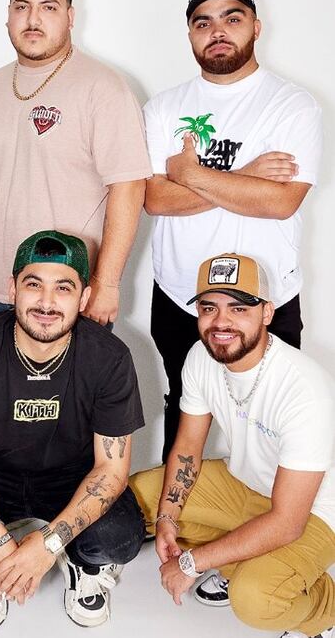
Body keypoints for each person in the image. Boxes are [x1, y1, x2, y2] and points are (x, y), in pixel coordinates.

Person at [0, 230, 145, 631]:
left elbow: (111, 470)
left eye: (63, 288)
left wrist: (50, 543)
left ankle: (82, 563)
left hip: (71, 478)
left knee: (120, 538)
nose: (46, 302)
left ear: (84, 298)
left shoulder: (109, 358)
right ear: (12, 289)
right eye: (33, 284)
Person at [143, 0, 323, 461]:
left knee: (275, 414)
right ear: (190, 34)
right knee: (184, 404)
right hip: (181, 293)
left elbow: (280, 202)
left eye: (232, 18)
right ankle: (175, 502)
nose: (217, 31)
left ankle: (275, 501)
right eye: (203, 22)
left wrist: (188, 173)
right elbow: (155, 198)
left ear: (256, 27)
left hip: (266, 295)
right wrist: (246, 175)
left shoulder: (292, 104)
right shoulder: (164, 108)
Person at [131, 253, 335, 638]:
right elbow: (187, 448)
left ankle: (325, 608)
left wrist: (190, 563)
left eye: (239, 308)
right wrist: (167, 518)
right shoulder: (201, 357)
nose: (221, 322)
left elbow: (288, 522)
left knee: (256, 599)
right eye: (209, 308)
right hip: (244, 485)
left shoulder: (306, 390)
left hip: (312, 512)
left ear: (267, 312)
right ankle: (244, 560)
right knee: (138, 496)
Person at [0, 0, 151, 326]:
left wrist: (106, 283)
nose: (33, 19)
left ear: (70, 17)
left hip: (69, 291)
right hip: (3, 287)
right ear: (8, 16)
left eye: (48, 7)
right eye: (22, 7)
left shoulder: (103, 87)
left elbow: (128, 188)